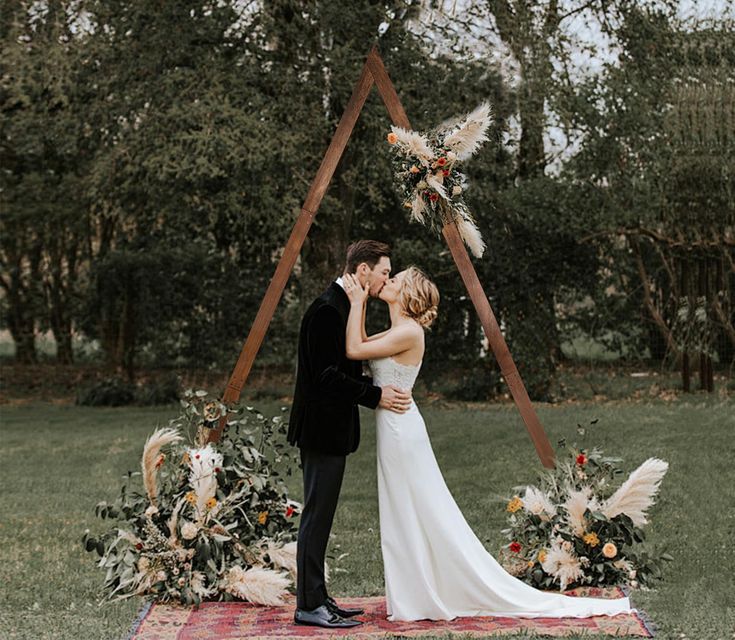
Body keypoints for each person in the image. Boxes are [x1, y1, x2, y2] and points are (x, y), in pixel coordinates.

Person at [342, 266, 634, 621]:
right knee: (404, 510)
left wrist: (357, 301)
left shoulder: (409, 332)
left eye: (395, 280)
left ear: (407, 295)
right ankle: (414, 592)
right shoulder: (396, 329)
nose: (386, 281)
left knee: (415, 509)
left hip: (402, 433)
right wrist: (358, 307)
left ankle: (423, 594)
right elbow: (357, 350)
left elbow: (355, 348)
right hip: (394, 427)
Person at [287, 240, 413, 629]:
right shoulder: (328, 310)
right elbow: (326, 377)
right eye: (384, 273)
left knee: (321, 516)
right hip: (320, 431)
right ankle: (309, 605)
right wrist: (375, 395)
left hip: (330, 430)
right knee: (316, 517)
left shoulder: (342, 305)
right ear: (362, 271)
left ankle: (319, 596)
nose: (385, 279)